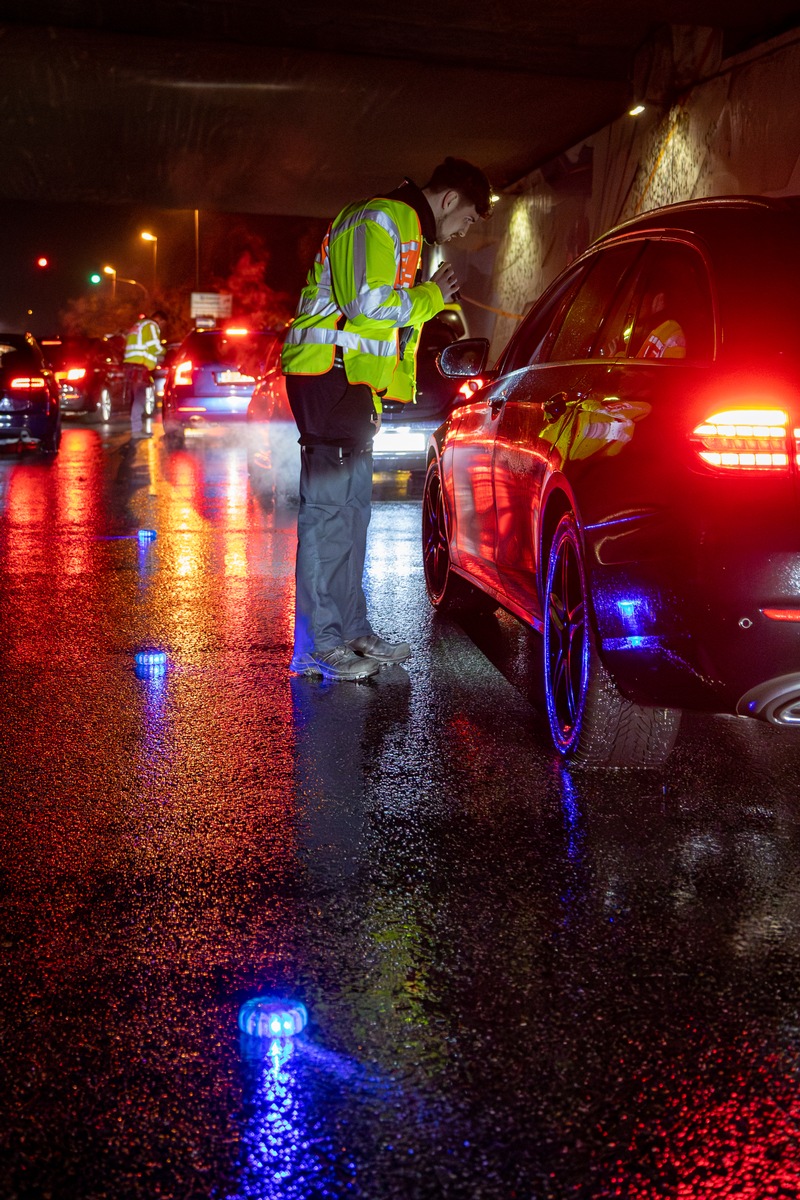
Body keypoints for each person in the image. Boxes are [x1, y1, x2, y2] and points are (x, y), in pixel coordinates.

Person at [282, 156, 493, 681]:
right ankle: (316, 646)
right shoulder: (381, 218)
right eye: (467, 218)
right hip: (328, 376)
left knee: (352, 514)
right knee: (329, 516)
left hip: (352, 384)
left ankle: (350, 631)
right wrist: (431, 297)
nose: (464, 230)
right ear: (448, 200)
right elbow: (368, 305)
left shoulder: (408, 232)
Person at [124, 309, 166, 434]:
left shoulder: (138, 325)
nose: (161, 327)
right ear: (160, 319)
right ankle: (136, 430)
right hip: (140, 366)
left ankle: (135, 427)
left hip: (131, 366)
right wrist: (165, 351)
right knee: (140, 398)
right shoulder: (151, 325)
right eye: (163, 324)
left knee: (135, 397)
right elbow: (154, 346)